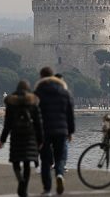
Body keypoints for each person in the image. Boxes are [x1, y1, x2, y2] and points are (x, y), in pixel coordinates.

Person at [34, 66, 75, 196]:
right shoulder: (65, 92)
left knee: (45, 160)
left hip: (44, 130)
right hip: (61, 130)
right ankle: (59, 174)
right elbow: (70, 114)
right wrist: (70, 131)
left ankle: (47, 189)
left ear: (41, 77)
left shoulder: (38, 94)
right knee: (61, 156)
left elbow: (35, 115)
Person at [0, 80, 44, 197]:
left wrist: (2, 140)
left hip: (16, 134)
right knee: (27, 162)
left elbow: (7, 124)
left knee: (15, 160)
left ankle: (21, 180)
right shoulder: (33, 102)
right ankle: (24, 186)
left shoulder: (11, 103)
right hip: (30, 134)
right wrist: (40, 140)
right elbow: (38, 123)